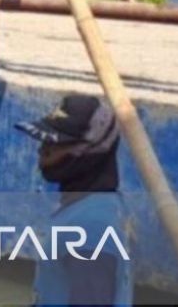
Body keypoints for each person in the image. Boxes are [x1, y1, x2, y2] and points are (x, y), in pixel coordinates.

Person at [16, 94, 132, 306]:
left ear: (88, 152)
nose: (42, 151)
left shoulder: (90, 228)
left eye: (56, 145)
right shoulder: (94, 204)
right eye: (43, 142)